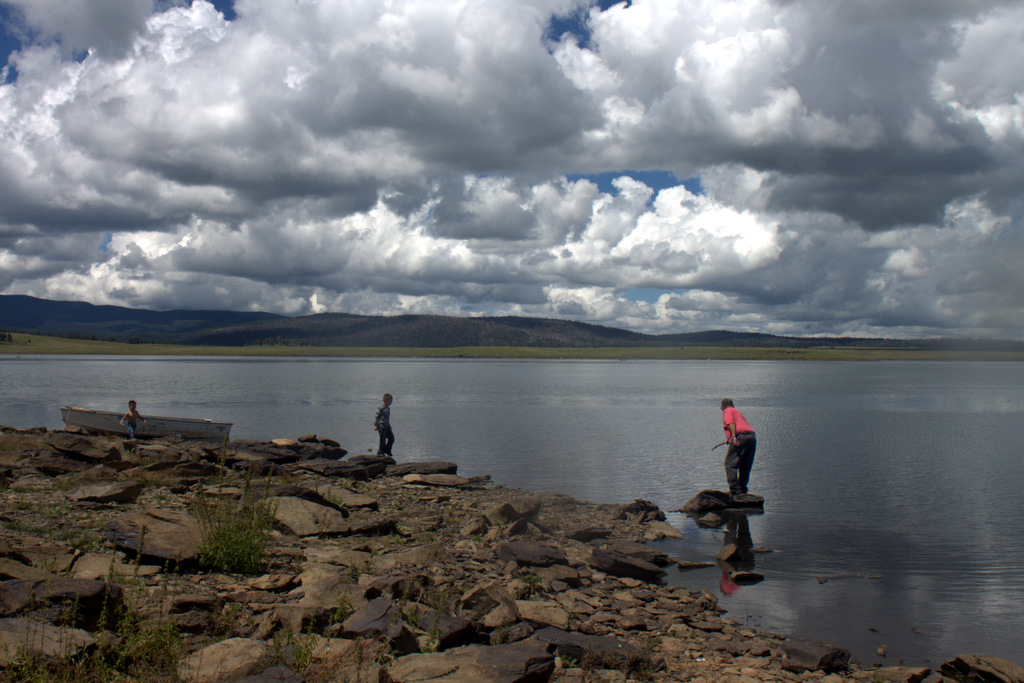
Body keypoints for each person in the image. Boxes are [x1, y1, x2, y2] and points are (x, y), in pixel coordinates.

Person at [721, 398, 756, 496]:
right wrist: (729, 440)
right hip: (751, 438)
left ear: (723, 406)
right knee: (745, 465)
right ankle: (742, 489)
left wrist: (733, 437)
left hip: (740, 437)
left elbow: (731, 423)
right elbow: (742, 426)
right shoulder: (737, 412)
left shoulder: (727, 411)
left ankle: (734, 490)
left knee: (730, 464)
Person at [373, 393, 395, 457]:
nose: (390, 403)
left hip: (387, 425)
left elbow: (388, 418)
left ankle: (387, 450)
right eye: (389, 401)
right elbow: (376, 417)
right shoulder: (381, 408)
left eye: (391, 401)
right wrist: (375, 425)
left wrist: (389, 425)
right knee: (382, 439)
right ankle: (380, 452)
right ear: (385, 401)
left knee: (391, 438)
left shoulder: (388, 408)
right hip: (381, 426)